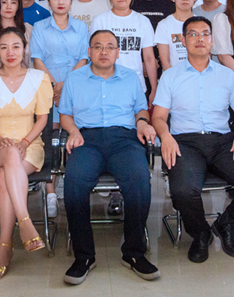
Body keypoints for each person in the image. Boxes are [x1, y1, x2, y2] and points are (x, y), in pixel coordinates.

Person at [151, 16, 234, 264]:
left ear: (212, 39)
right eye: (193, 34)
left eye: (205, 34)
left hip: (223, 142)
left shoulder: (226, 75)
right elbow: (159, 117)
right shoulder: (170, 76)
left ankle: (226, 224)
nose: (199, 39)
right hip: (185, 143)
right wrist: (165, 136)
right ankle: (200, 233)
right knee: (183, 191)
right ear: (183, 40)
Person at [59, 30, 160, 285]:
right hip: (87, 139)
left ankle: (134, 252)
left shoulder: (130, 77)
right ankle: (84, 256)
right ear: (89, 51)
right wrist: (73, 131)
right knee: (74, 180)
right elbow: (65, 114)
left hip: (124, 139)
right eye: (98, 47)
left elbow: (140, 110)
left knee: (139, 179)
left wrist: (142, 123)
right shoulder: (74, 78)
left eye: (109, 47)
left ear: (117, 52)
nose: (104, 51)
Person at [0, 27, 53, 281]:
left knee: (3, 177)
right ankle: (25, 221)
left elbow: (42, 119)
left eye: (16, 47)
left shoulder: (39, 79)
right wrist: (0, 139)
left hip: (30, 145)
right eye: (4, 47)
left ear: (24, 49)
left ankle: (4, 246)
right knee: (9, 155)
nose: (10, 52)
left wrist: (26, 141)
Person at [31, 0, 89, 217]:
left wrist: (66, 84)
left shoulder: (81, 27)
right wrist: (54, 85)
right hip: (47, 85)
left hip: (76, 83)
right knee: (50, 136)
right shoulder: (39, 27)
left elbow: (84, 58)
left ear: (71, 1)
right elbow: (36, 58)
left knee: (72, 132)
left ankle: (68, 179)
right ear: (49, 1)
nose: (60, 2)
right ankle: (50, 191)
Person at [92, 0, 157, 102]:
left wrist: (154, 88)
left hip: (136, 86)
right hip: (106, 86)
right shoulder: (100, 21)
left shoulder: (142, 21)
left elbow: (149, 58)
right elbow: (94, 57)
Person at [155, 0, 196, 71]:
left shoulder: (201, 23)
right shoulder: (164, 25)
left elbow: (206, 57)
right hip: (173, 77)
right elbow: (165, 63)